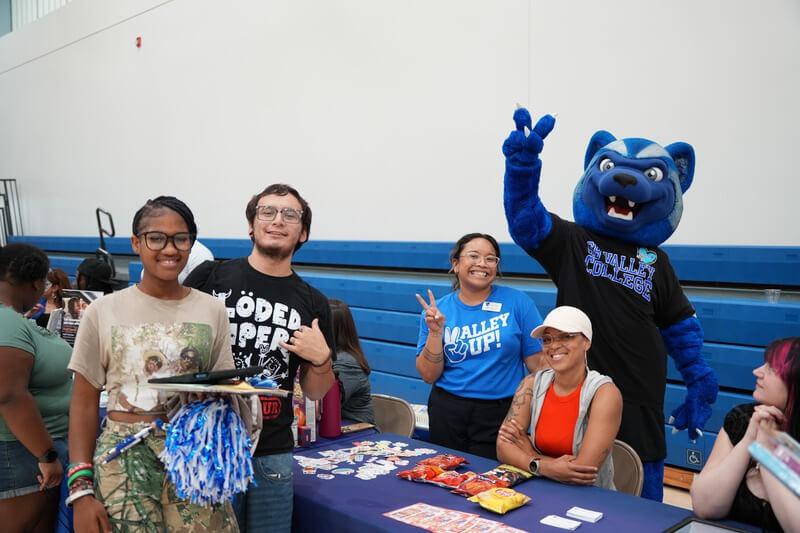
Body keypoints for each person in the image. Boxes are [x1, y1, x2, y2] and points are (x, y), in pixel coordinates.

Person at [68, 196, 240, 532]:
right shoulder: (104, 311)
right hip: (124, 457)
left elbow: (226, 387)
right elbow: (83, 401)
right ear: (136, 242)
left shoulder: (211, 310)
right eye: (156, 238)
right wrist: (81, 490)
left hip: (192, 454)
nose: (170, 249)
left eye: (181, 238)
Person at [185, 183, 335, 533]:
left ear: (303, 233)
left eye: (290, 215)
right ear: (251, 225)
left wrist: (322, 359)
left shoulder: (314, 303)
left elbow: (314, 392)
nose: (277, 220)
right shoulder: (210, 277)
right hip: (210, 441)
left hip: (272, 448)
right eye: (267, 211)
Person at [415, 232, 544, 460]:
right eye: (473, 256)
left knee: (490, 485)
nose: (482, 264)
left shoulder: (519, 303)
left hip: (501, 412)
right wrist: (435, 333)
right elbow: (428, 375)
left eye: (490, 258)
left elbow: (539, 367)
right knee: (445, 479)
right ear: (456, 264)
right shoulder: (436, 311)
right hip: (447, 410)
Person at [496, 306, 622, 488]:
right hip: (538, 489)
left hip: (588, 501)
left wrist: (530, 455)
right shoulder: (531, 383)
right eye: (547, 340)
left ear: (586, 342)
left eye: (566, 336)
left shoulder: (604, 393)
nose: (554, 346)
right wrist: (546, 466)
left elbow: (583, 471)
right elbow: (503, 448)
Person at [691, 337, 800, 532]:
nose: (757, 372)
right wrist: (750, 440)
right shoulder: (743, 419)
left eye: (772, 369)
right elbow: (704, 506)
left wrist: (766, 453)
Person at [0, 243, 73, 532]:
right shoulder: (6, 322)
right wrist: (46, 455)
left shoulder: (14, 320)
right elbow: (9, 395)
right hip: (22, 453)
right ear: (34, 282)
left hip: (27, 452)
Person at [330, 298, 375, 425]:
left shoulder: (346, 363)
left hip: (357, 432)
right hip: (335, 427)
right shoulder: (331, 356)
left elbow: (325, 405)